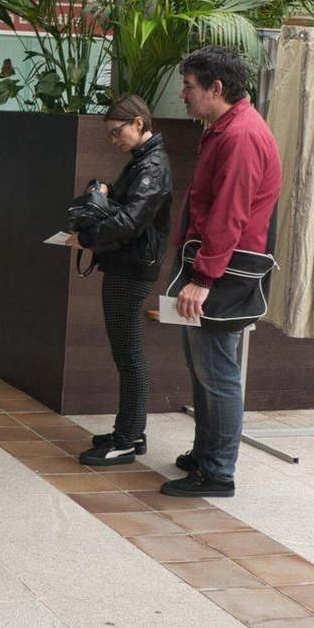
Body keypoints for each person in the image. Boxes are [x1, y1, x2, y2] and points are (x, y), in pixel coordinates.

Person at [162, 46, 282, 499]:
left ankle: (217, 472)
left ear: (216, 88)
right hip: (217, 262)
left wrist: (203, 279)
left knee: (217, 370)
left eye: (189, 88)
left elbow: (230, 214)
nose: (183, 95)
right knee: (203, 365)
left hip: (226, 268)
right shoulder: (226, 127)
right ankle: (205, 454)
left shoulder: (241, 135)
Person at [69, 96, 173, 466]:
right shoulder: (143, 161)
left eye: (118, 132)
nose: (114, 139)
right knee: (126, 353)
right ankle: (132, 430)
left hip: (132, 266)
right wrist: (107, 191)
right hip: (129, 262)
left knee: (128, 354)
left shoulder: (152, 166)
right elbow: (128, 205)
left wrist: (86, 238)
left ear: (140, 124)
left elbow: (131, 221)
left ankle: (127, 438)